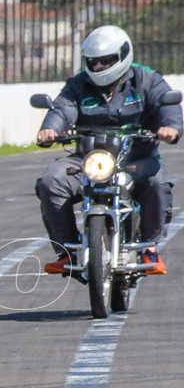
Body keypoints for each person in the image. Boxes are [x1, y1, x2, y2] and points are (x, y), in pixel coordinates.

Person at [36, 25, 182, 275]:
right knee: (51, 181)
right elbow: (62, 109)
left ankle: (149, 248)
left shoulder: (145, 78)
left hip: (136, 157)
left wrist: (170, 126)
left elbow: (165, 102)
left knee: (157, 183)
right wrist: (50, 129)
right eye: (94, 62)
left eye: (106, 61)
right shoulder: (78, 84)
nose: (99, 67)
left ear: (123, 55)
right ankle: (66, 252)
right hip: (87, 157)